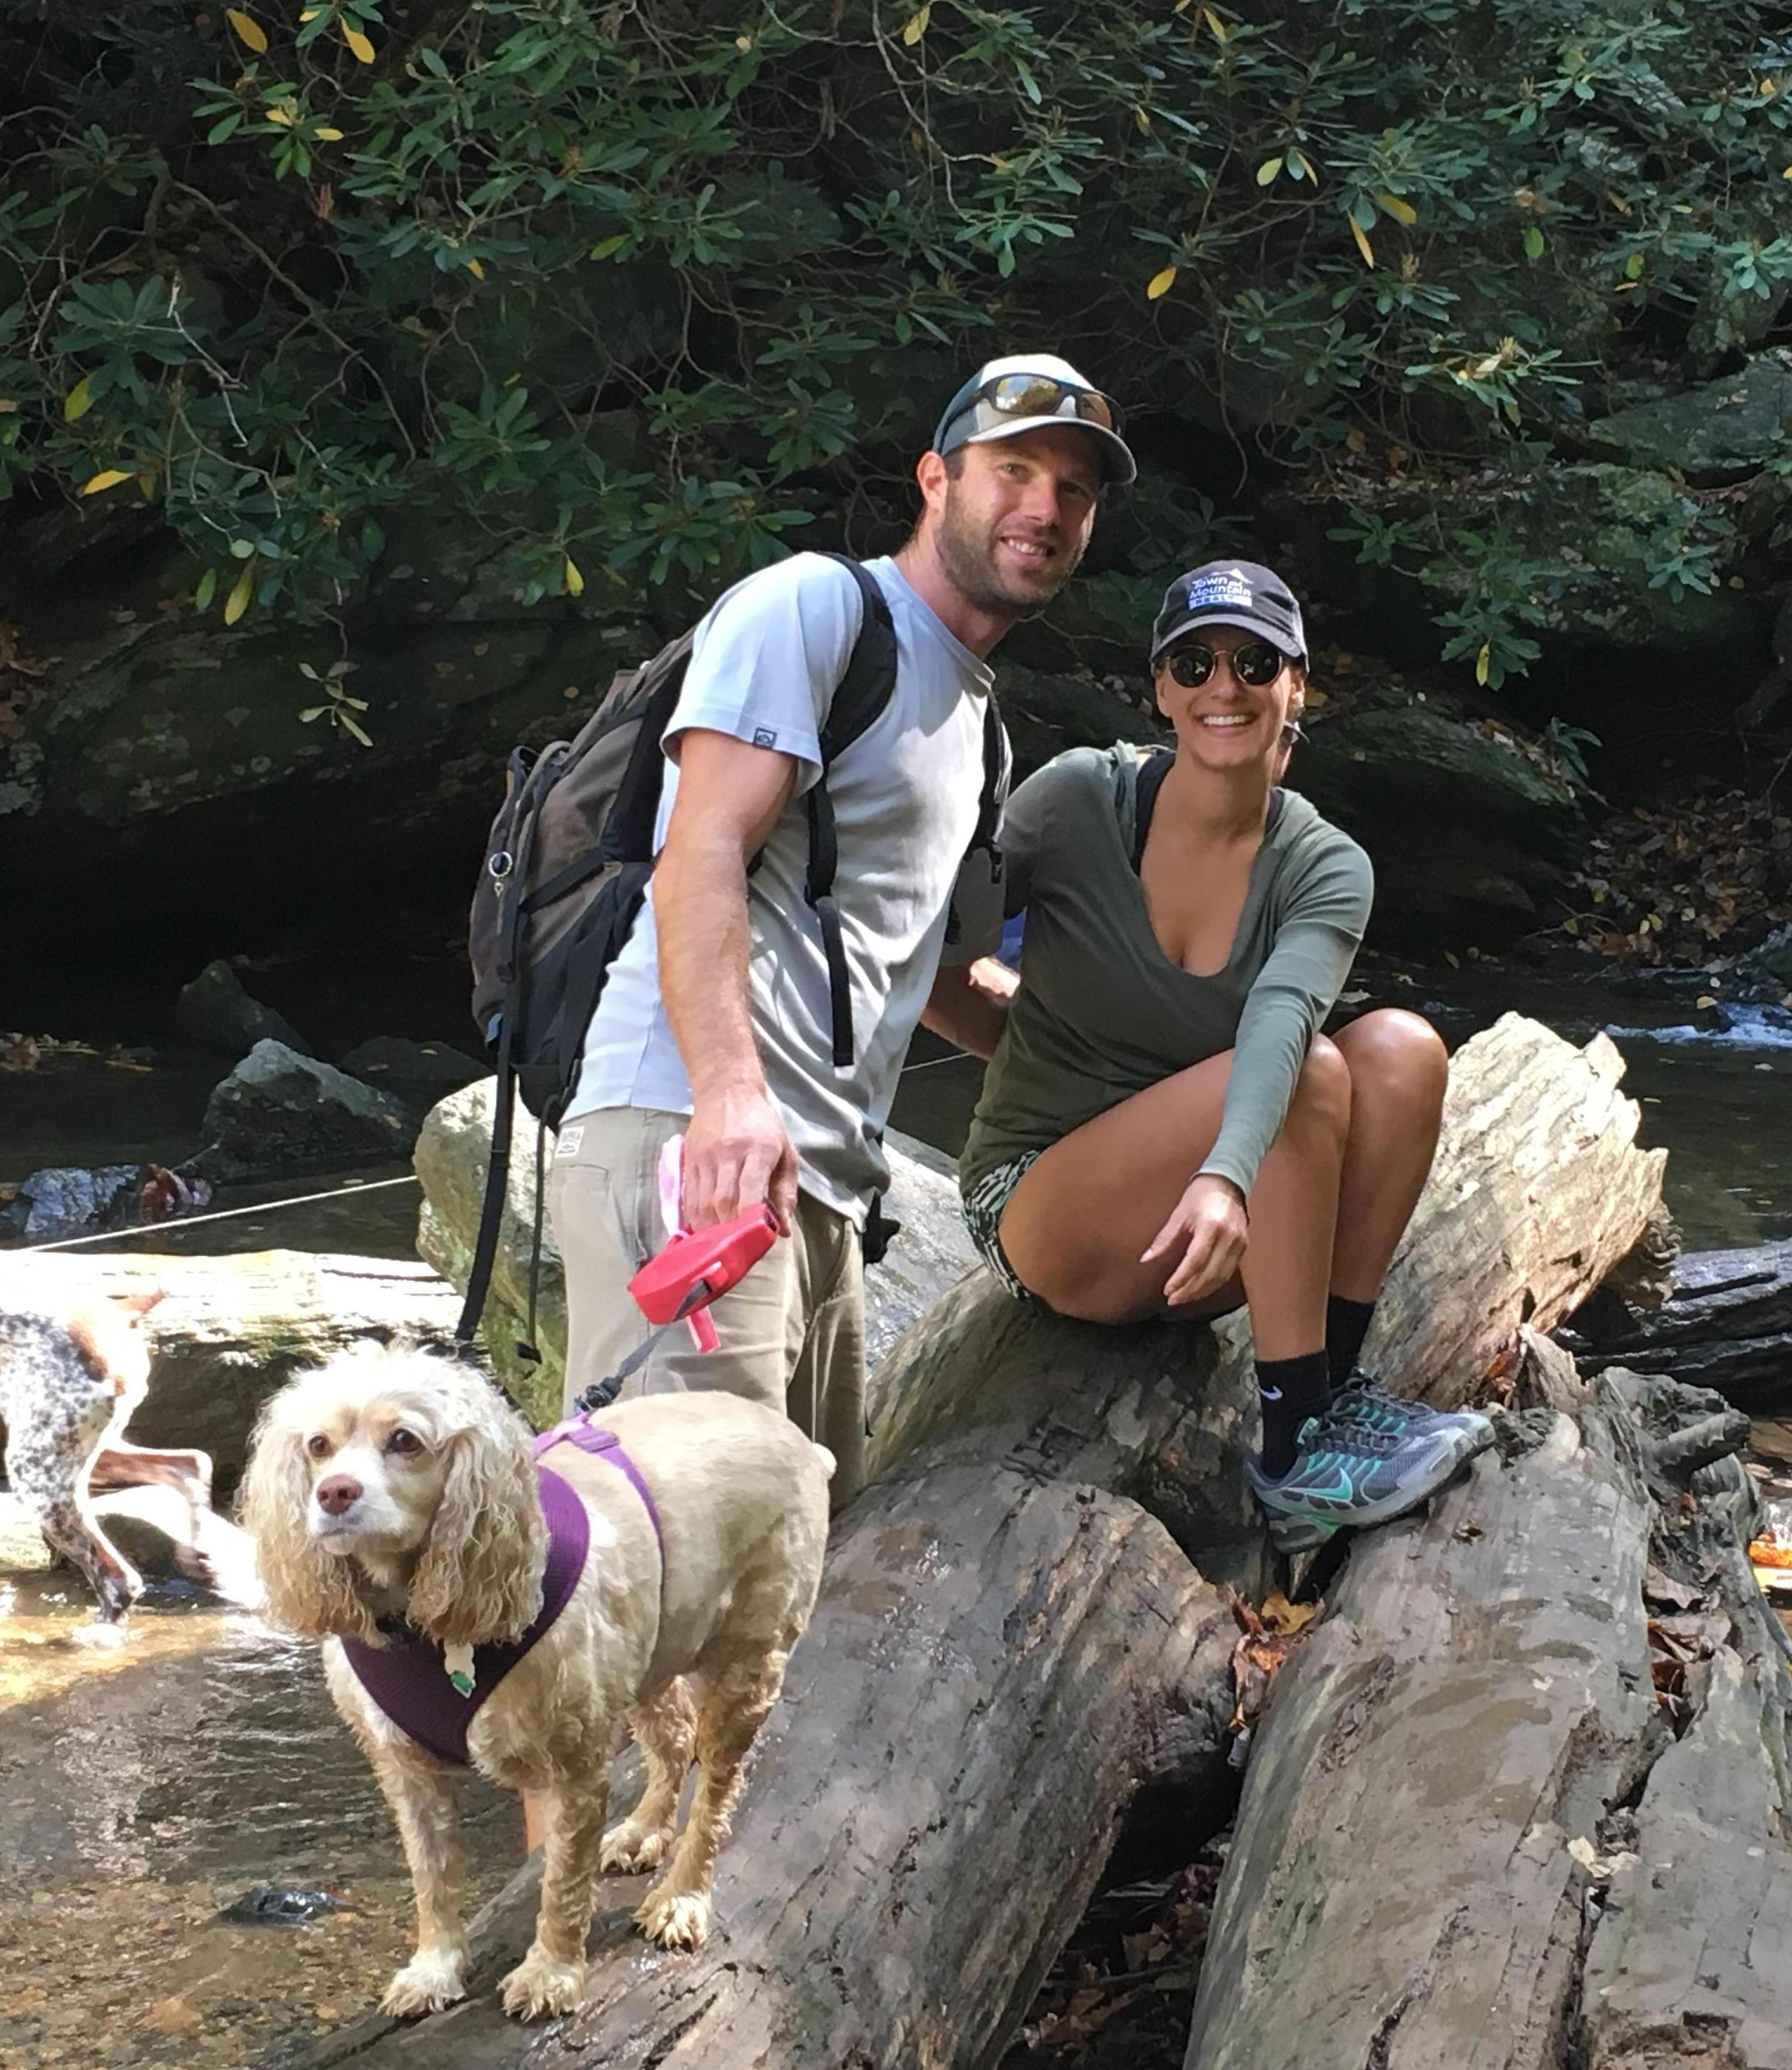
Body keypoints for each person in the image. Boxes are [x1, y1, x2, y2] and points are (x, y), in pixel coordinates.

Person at [546, 353, 1134, 1509]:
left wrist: (1123, 1074)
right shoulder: (817, 608)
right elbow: (699, 853)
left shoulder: (980, 722)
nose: (1043, 509)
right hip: (695, 1146)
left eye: (1073, 491)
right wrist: (726, 1097)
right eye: (1013, 470)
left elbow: (933, 976)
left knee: (783, 1598)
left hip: (821, 1192)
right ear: (936, 479)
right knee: (664, 1586)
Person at [932, 559, 1490, 1549]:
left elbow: (1283, 1014)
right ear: (1161, 690)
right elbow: (931, 941)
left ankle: (1323, 1400)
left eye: (1252, 661)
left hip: (1215, 1216)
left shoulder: (1326, 865)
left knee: (1401, 1052)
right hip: (1043, 1209)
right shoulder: (1074, 804)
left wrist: (1226, 1176)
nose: (1222, 687)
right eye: (1194, 664)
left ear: (1295, 684)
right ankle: (1291, 1465)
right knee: (1313, 1074)